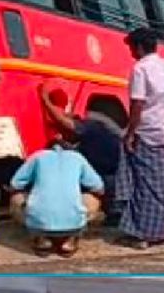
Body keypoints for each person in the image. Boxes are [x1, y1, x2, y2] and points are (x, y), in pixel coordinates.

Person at [115, 27, 164, 249]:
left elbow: (137, 103)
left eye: (131, 48)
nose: (131, 53)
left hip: (145, 134)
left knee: (141, 185)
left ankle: (141, 233)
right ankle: (160, 233)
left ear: (138, 47)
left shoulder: (140, 69)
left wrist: (130, 134)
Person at [9, 122, 104, 258]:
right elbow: (99, 187)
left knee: (15, 198)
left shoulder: (38, 156)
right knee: (93, 198)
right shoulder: (77, 158)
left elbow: (14, 184)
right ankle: (70, 239)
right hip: (73, 223)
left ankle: (41, 239)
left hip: (38, 222)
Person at [37, 82, 123, 225]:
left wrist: (45, 100)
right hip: (111, 168)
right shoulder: (96, 130)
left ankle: (115, 214)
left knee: (105, 188)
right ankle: (113, 215)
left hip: (110, 171)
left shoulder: (89, 126)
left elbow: (66, 124)